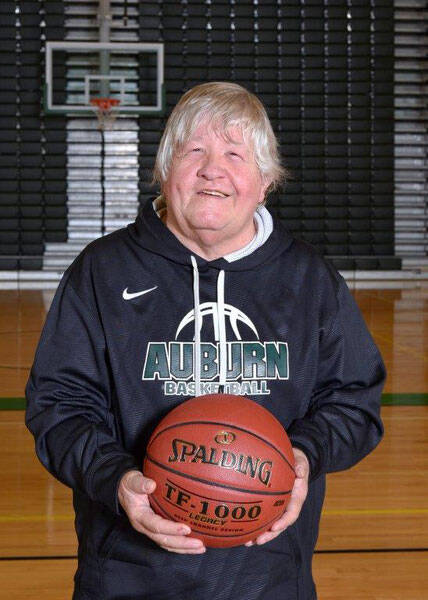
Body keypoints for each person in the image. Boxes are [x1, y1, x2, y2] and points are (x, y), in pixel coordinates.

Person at [26, 82, 385, 600]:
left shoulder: (310, 281)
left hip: (270, 579)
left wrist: (304, 455)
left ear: (265, 182)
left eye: (234, 154)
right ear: (164, 169)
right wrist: (115, 479)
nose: (212, 169)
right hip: (126, 577)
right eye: (194, 150)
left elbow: (355, 402)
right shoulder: (102, 272)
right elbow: (58, 407)